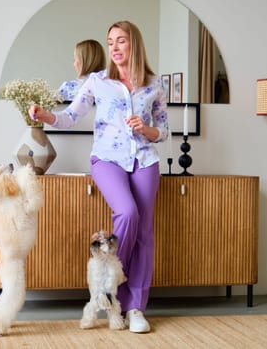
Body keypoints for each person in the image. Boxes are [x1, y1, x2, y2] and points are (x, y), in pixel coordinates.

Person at [29, 20, 168, 333]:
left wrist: (146, 129)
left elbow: (164, 130)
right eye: (111, 42)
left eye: (121, 41)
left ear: (135, 44)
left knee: (145, 233)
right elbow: (69, 117)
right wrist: (45, 116)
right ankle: (110, 287)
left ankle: (135, 308)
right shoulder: (97, 80)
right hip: (107, 159)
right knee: (128, 213)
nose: (115, 48)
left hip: (145, 160)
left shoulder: (155, 84)